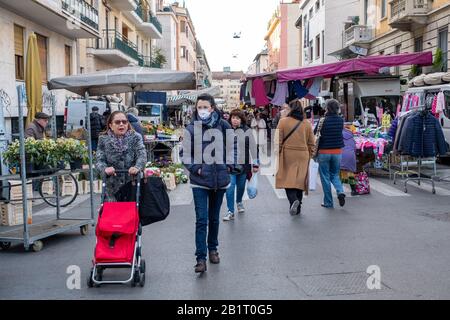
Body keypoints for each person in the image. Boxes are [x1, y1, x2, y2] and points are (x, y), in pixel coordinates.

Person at [181, 94, 233, 273]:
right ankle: (200, 258)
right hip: (200, 181)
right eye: (199, 107)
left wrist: (229, 166)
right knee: (201, 220)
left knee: (214, 218)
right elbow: (184, 154)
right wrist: (197, 169)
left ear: (212, 108)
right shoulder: (190, 128)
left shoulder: (224, 125)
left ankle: (213, 249)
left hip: (220, 179)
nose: (201, 110)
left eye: (205, 107)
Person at [95, 111, 147, 202]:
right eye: (117, 122)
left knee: (133, 213)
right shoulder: (103, 139)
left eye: (124, 122)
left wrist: (137, 167)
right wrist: (104, 169)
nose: (121, 124)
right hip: (112, 187)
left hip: (133, 183)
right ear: (111, 125)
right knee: (114, 214)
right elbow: (99, 159)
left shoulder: (136, 137)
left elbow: (142, 155)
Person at [275, 99, 315, 215]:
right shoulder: (306, 123)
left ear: (290, 109)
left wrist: (278, 153)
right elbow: (312, 142)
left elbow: (277, 140)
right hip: (303, 154)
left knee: (287, 180)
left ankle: (294, 200)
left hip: (288, 154)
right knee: (299, 181)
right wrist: (310, 154)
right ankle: (298, 208)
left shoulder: (283, 122)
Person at [223, 109, 259, 221]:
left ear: (241, 119)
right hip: (229, 165)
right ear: (230, 118)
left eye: (237, 118)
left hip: (243, 165)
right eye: (233, 117)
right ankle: (230, 211)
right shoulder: (226, 130)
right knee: (230, 187)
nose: (235, 120)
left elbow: (253, 147)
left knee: (241, 187)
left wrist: (256, 164)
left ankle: (239, 202)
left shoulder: (247, 130)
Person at [315, 99, 346, 208]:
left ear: (327, 108)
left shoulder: (322, 120)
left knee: (325, 177)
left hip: (324, 151)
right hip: (337, 151)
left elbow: (316, 134)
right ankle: (340, 191)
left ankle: (328, 202)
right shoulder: (340, 120)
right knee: (335, 175)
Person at [340, 126, 357, 196]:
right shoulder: (351, 137)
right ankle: (353, 190)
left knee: (339, 173)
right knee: (350, 173)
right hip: (351, 155)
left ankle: (340, 191)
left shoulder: (339, 135)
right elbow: (354, 148)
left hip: (341, 155)